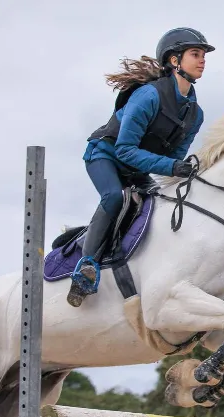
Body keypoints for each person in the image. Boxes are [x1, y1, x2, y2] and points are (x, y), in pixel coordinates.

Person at [67, 27, 214, 307]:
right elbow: (124, 149)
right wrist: (172, 166)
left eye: (204, 55)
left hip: (137, 168)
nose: (203, 60)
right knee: (114, 197)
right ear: (174, 60)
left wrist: (183, 169)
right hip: (106, 155)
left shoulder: (195, 115)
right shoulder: (148, 96)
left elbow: (174, 161)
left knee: (164, 203)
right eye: (196, 54)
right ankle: (84, 269)